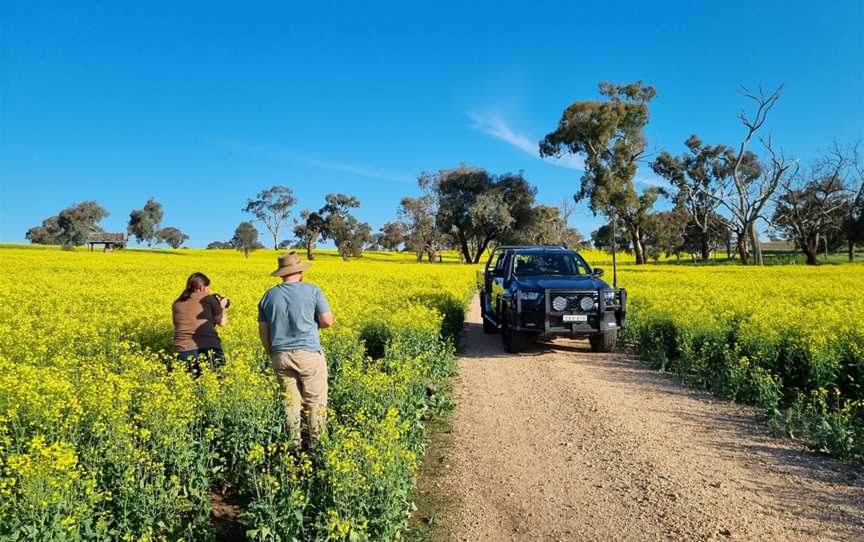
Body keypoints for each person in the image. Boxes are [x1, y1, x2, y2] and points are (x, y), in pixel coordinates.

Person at [258, 252, 334, 451]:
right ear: (299, 271)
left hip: (280, 355)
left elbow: (263, 331)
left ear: (282, 273)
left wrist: (272, 352)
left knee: (291, 404)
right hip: (308, 353)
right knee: (315, 402)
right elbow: (327, 321)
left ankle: (294, 449)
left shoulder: (269, 295)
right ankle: (317, 448)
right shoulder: (313, 291)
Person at [172, 272, 229, 377]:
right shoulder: (208, 298)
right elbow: (222, 322)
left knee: (189, 388)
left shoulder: (177, 303)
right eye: (208, 287)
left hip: (183, 351)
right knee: (218, 384)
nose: (208, 290)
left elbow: (177, 324)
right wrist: (222, 307)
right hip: (208, 348)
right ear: (202, 287)